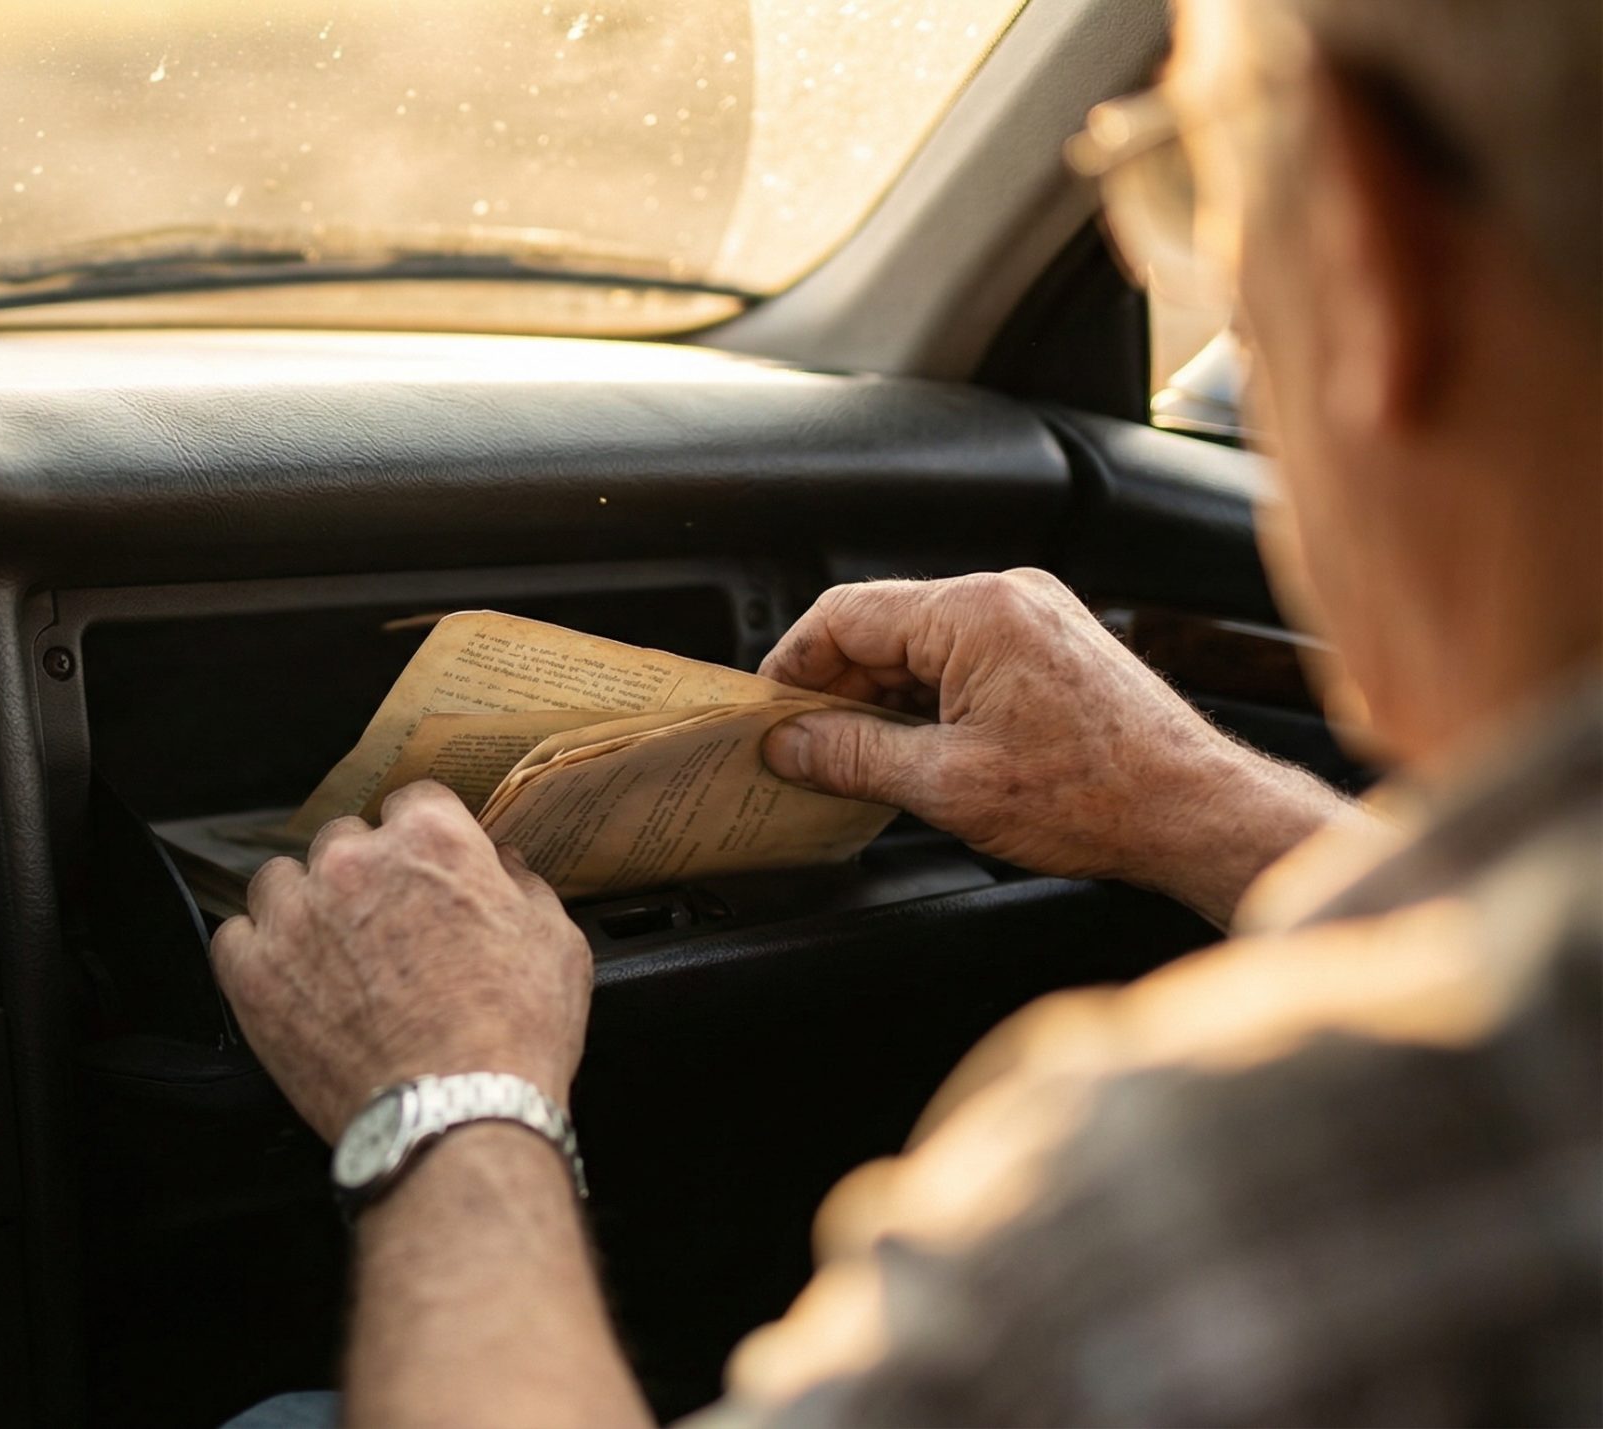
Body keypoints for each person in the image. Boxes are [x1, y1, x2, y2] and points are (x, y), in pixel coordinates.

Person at [210, 0, 1602, 1423]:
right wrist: (1191, 798)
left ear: (1368, 259)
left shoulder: (1198, 1195)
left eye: (1208, 192)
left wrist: (450, 1094)